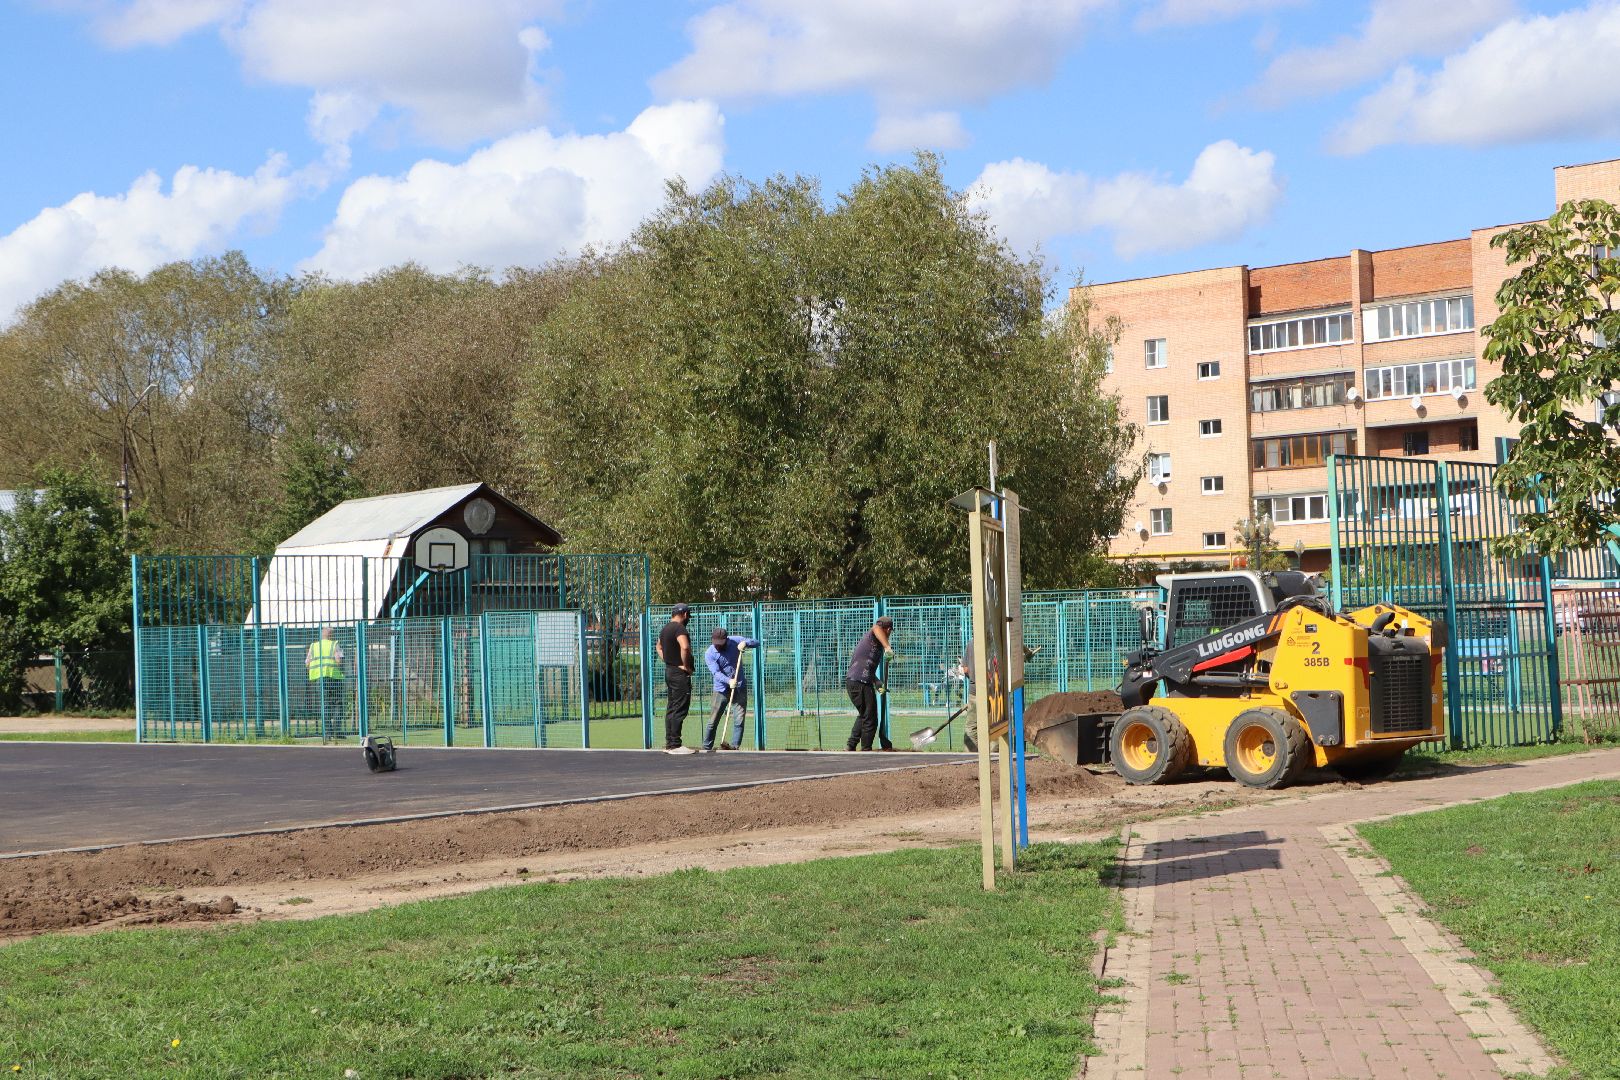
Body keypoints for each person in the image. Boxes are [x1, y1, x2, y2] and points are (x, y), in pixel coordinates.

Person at [704, 627, 761, 752]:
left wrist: (746, 643)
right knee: (713, 721)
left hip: (739, 687)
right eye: (715, 643)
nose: (718, 646)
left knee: (739, 719)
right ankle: (706, 747)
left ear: (726, 639)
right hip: (721, 689)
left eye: (720, 643)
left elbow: (757, 642)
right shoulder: (710, 653)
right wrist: (729, 681)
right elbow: (716, 673)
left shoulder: (736, 641)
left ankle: (734, 747)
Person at [846, 616, 896, 751]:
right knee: (870, 718)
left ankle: (851, 745)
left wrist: (877, 682)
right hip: (859, 682)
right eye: (890, 631)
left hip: (857, 681)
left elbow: (866, 666)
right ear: (888, 629)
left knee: (864, 714)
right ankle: (866, 750)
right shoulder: (874, 634)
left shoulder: (874, 644)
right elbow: (876, 628)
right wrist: (887, 647)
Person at [658, 604, 696, 755]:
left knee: (672, 707)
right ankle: (675, 745)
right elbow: (685, 647)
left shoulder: (665, 629)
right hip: (679, 674)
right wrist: (685, 665)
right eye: (688, 616)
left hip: (669, 671)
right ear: (685, 614)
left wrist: (668, 661)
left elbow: (658, 647)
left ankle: (670, 743)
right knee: (680, 708)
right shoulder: (680, 629)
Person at [304, 625, 346, 737]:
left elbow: (307, 663)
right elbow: (339, 661)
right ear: (331, 635)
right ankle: (337, 731)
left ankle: (327, 733)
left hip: (321, 679)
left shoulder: (313, 646)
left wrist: (316, 670)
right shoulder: (334, 644)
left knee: (325, 705)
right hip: (335, 678)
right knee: (338, 704)